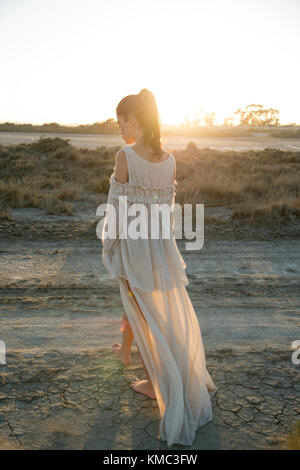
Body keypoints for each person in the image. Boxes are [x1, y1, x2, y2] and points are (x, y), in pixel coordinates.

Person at [101, 88, 217, 447]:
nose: (121, 131)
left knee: (145, 317)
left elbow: (116, 214)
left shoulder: (125, 157)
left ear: (135, 120)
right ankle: (153, 370)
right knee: (158, 315)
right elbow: (166, 213)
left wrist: (110, 249)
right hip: (161, 248)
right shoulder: (169, 160)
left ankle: (156, 384)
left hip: (136, 250)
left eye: (122, 123)